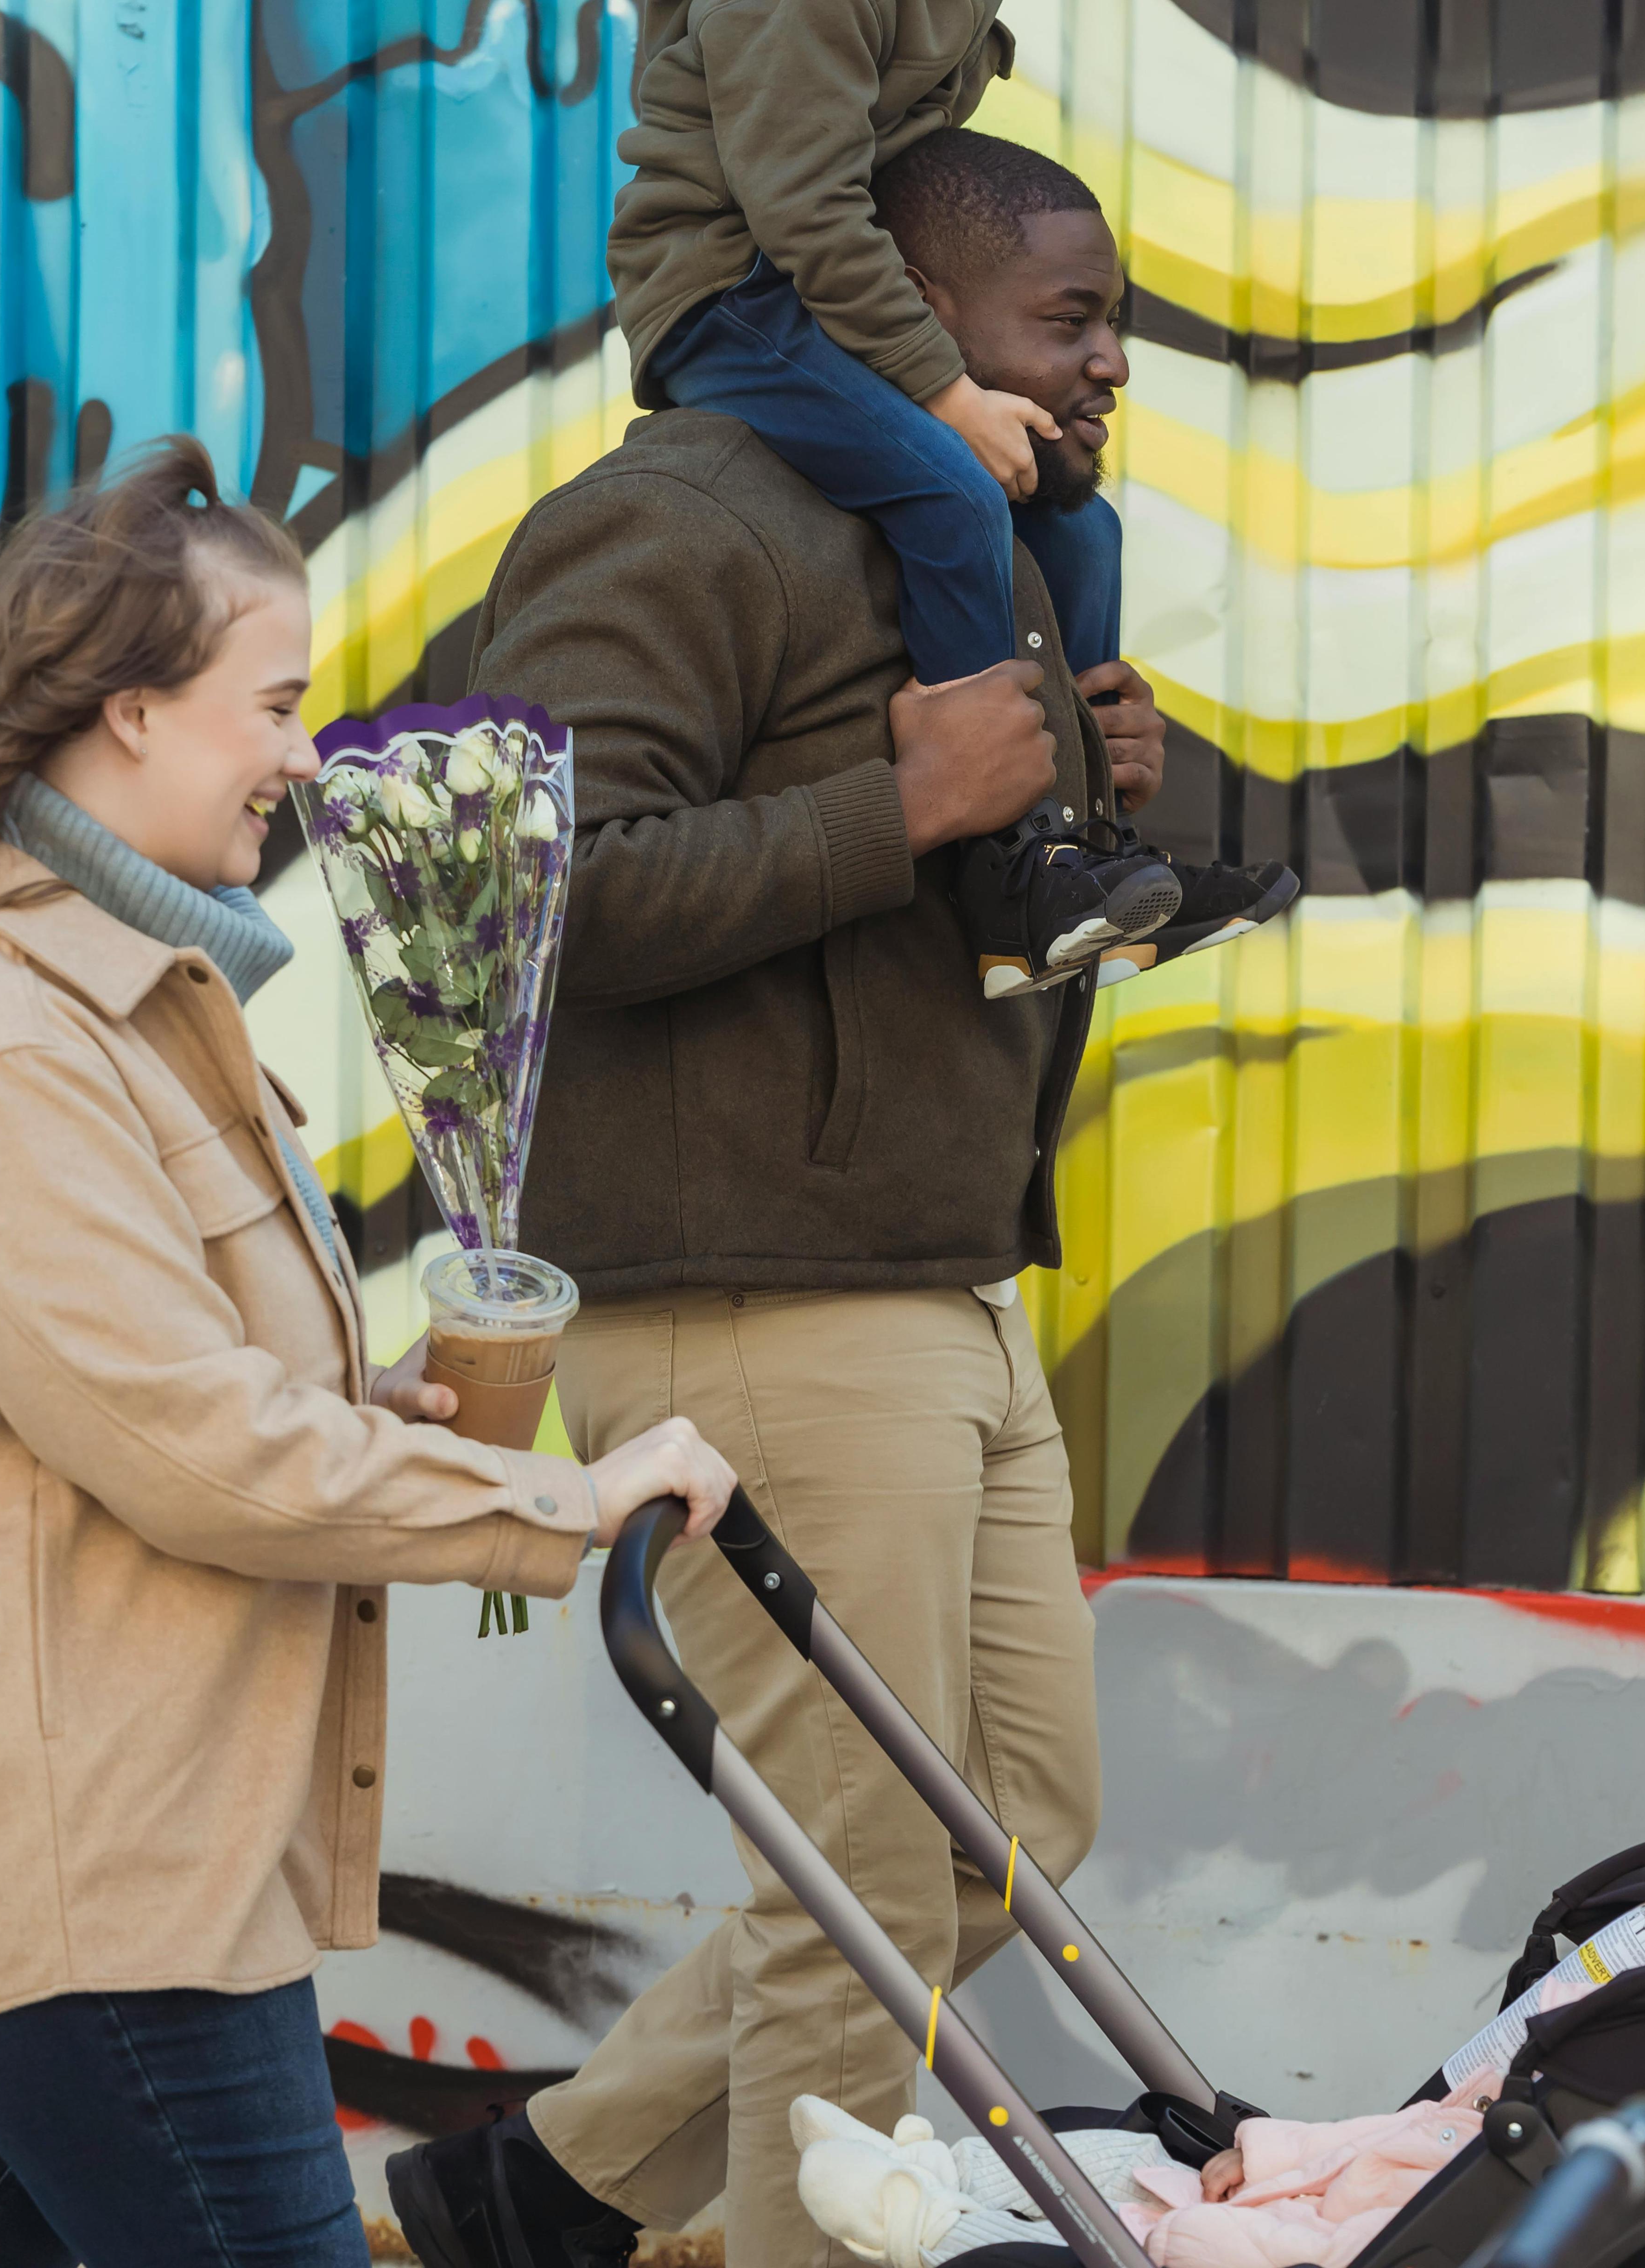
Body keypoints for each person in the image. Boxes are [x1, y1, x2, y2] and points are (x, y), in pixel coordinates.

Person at [386, 138, 1289, 2268]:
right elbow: (549, 897)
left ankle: (548, 2190)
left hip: (938, 1282)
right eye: (1069, 324)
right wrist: (911, 802)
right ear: (904, 310)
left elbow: (921, 901)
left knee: (998, 1846)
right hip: (755, 1301)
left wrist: (1062, 808)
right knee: (868, 1885)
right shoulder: (678, 520)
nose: (1108, 372)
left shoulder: (971, 542)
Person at [0, 439, 736, 2268]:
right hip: (112, 1903)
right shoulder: (11, 1048)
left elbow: (115, 1399)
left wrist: (361, 1406)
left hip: (94, 1877)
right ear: (127, 710)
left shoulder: (129, 1012)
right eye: (273, 703)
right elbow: (193, 1450)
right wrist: (564, 1498)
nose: (306, 756)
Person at [609, 0, 1185, 997]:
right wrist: (945, 391)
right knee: (949, 487)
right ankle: (1015, 869)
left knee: (1073, 509)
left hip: (809, 299)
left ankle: (1085, 834)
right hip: (733, 304)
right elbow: (807, 212)